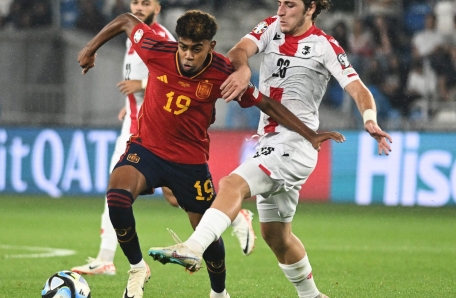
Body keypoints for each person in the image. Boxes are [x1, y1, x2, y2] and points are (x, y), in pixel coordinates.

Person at [78, 9, 344, 298]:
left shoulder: (221, 73)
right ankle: (137, 268)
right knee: (116, 196)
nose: (188, 55)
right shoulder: (156, 50)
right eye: (183, 47)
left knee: (208, 235)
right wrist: (90, 49)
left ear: (211, 47)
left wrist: (310, 133)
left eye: (196, 49)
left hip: (189, 165)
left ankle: (219, 293)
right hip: (147, 149)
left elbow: (266, 104)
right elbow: (126, 20)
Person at [148, 1, 392, 298]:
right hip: (269, 141)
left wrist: (370, 120)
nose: (281, 11)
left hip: (295, 142)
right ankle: (313, 295)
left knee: (231, 184)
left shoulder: (324, 45)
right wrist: (241, 70)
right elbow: (239, 50)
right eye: (279, 3)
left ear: (311, 8)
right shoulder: (270, 27)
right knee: (276, 236)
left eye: (290, 5)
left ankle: (193, 247)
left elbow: (358, 88)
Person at [71, 0, 258, 278]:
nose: (138, 7)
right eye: (134, 1)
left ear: (157, 7)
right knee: (120, 192)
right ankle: (111, 259)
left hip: (172, 137)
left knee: (189, 210)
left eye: (145, 2)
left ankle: (228, 216)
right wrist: (131, 102)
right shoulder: (135, 38)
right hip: (142, 132)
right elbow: (158, 75)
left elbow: (174, 76)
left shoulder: (161, 39)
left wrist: (244, 71)